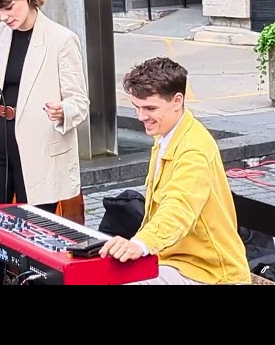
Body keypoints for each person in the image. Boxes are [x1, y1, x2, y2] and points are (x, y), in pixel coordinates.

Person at [0, 0, 90, 284]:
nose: (6, 16)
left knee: (37, 233)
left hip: (38, 147)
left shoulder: (61, 39)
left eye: (9, 7)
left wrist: (62, 110)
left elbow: (80, 102)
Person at [99, 57, 252, 285]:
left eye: (150, 108)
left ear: (177, 101)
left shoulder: (193, 150)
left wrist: (140, 244)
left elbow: (179, 207)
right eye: (137, 108)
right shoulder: (168, 134)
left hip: (209, 273)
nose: (141, 117)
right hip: (174, 260)